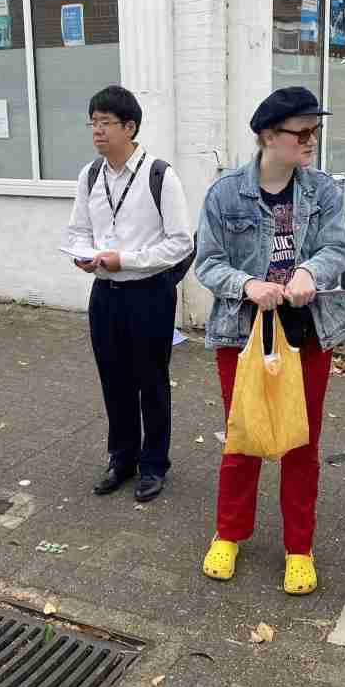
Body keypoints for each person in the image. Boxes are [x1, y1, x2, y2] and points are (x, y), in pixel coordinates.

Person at [195, 86, 345, 595]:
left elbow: (337, 248)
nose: (311, 141)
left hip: (307, 335)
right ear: (268, 136)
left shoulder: (323, 190)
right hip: (242, 335)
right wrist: (247, 284)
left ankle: (299, 548)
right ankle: (229, 533)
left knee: (299, 444)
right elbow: (207, 262)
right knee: (243, 436)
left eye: (315, 131)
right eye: (301, 132)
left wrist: (309, 270)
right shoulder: (224, 194)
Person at [65, 85, 193, 503]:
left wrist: (127, 260)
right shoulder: (90, 175)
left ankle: (154, 465)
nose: (97, 131)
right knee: (113, 380)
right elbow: (78, 229)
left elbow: (180, 243)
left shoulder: (159, 174)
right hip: (105, 293)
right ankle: (121, 459)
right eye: (93, 123)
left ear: (130, 127)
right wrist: (83, 254)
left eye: (106, 123)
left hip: (149, 293)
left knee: (150, 381)